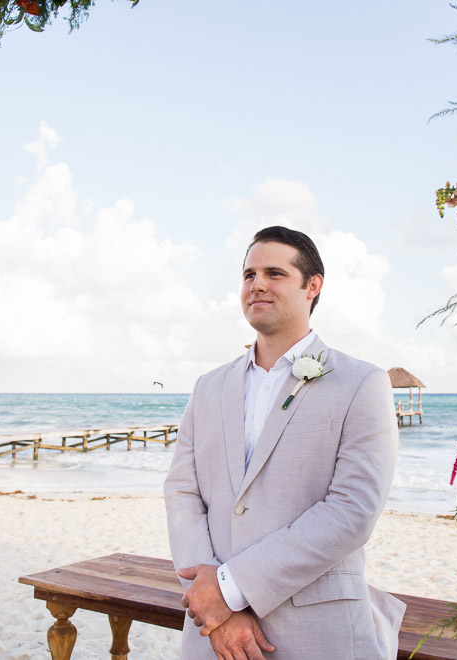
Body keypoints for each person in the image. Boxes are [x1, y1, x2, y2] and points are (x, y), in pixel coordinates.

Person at [164, 226, 404, 660]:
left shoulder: (362, 383)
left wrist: (231, 589)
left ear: (312, 286)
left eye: (274, 273)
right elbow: (183, 491)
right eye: (248, 274)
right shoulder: (208, 387)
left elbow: (353, 510)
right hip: (211, 634)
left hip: (314, 631)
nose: (256, 284)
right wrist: (214, 604)